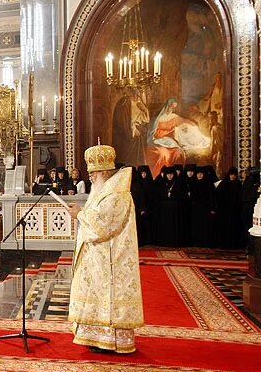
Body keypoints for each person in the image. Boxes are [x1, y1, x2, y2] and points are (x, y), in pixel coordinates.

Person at [66, 144, 143, 353]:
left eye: (93, 173)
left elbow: (103, 225)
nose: (90, 177)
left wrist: (80, 214)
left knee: (107, 299)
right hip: (98, 258)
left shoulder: (117, 194)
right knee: (96, 297)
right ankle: (95, 337)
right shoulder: (104, 192)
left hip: (111, 260)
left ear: (104, 172)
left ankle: (110, 341)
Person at [153, 166, 184, 247]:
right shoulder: (161, 183)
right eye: (168, 174)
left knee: (174, 226)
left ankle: (174, 242)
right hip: (164, 209)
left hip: (175, 209)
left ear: (174, 175)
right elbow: (157, 196)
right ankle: (164, 241)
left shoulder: (178, 183)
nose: (169, 176)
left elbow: (181, 196)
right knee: (165, 225)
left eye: (171, 174)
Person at [216, 168, 243, 249]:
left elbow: (240, 197)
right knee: (225, 228)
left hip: (235, 211)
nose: (233, 176)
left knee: (234, 228)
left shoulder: (238, 184)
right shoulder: (223, 184)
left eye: (234, 175)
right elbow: (218, 197)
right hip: (224, 211)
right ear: (229, 175)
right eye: (231, 175)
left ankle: (233, 244)